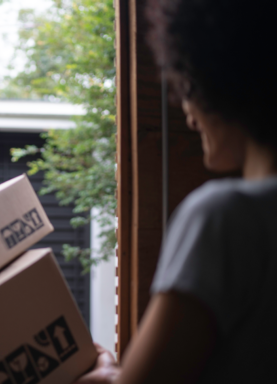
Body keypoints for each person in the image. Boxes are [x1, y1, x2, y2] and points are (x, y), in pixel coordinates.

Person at [76, 0, 277, 383]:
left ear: (221, 81)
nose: (187, 112)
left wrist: (104, 372)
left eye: (188, 86)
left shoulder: (224, 216)